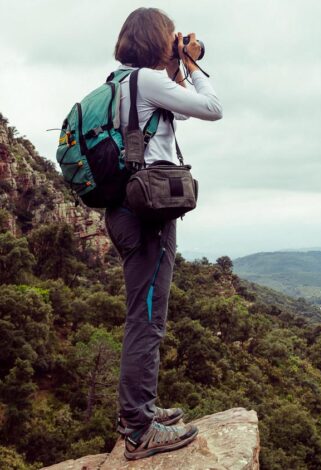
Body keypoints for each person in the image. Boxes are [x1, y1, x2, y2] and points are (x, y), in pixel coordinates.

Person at [105, 7, 222, 460]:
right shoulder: (147, 81)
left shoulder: (120, 82)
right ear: (158, 39)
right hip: (147, 214)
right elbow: (211, 108)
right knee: (147, 318)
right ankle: (139, 429)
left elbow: (180, 116)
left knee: (144, 312)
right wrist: (191, 66)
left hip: (124, 208)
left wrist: (176, 66)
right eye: (172, 37)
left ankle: (142, 411)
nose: (179, 42)